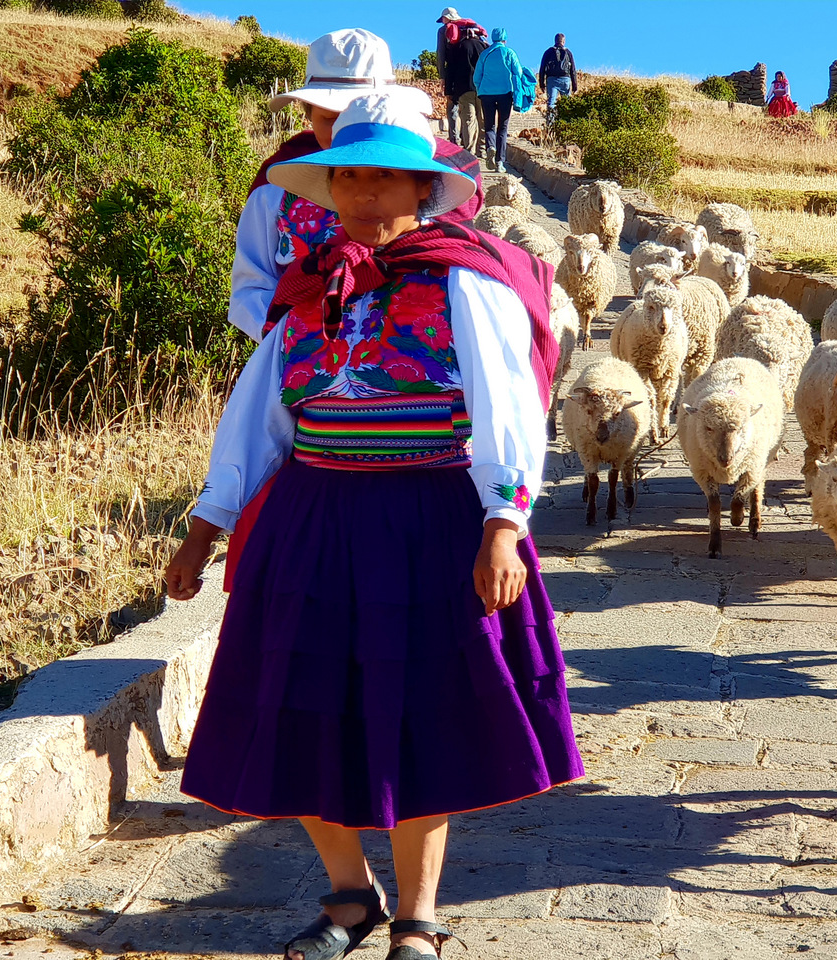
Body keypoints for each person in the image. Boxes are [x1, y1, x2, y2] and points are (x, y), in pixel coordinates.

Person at [167, 92, 585, 960]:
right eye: (345, 173)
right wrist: (208, 522)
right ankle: (351, 898)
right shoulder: (310, 283)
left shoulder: (465, 278)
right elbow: (259, 414)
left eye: (382, 174)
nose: (360, 188)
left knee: (415, 714)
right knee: (304, 708)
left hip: (428, 520)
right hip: (312, 518)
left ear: (421, 188)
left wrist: (503, 521)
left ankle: (420, 916)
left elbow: (509, 400)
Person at [214, 28, 485, 592]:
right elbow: (250, 287)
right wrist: (302, 328)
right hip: (302, 395)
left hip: (420, 428)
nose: (334, 129)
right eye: (322, 115)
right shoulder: (273, 195)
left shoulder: (417, 188)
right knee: (290, 543)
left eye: (347, 113)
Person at [434, 7, 488, 157]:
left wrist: (444, 78)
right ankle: (481, 149)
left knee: (460, 113)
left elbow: (442, 56)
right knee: (481, 117)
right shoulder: (476, 35)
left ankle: (456, 142)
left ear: (447, 18)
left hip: (460, 82)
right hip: (480, 85)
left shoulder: (445, 32)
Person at [472, 27, 524, 173]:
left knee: (489, 125)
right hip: (505, 93)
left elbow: (477, 77)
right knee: (503, 126)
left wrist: (480, 89)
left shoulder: (485, 54)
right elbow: (518, 72)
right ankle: (500, 162)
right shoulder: (509, 53)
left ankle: (490, 147)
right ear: (504, 39)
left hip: (486, 94)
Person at [537, 33, 577, 120]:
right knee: (567, 103)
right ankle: (567, 122)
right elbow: (573, 70)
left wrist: (541, 84)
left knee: (551, 102)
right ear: (564, 41)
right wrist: (574, 85)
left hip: (551, 80)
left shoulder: (548, 52)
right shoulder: (568, 52)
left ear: (555, 41)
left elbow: (542, 68)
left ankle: (550, 123)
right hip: (565, 79)